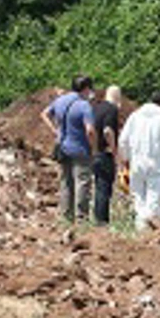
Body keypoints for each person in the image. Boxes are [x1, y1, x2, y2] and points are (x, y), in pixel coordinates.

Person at [117, 91, 160, 231]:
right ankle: (149, 231)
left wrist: (125, 158)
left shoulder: (135, 116)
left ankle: (140, 229)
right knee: (154, 198)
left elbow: (123, 140)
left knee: (138, 197)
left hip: (136, 163)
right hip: (156, 164)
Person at [42, 76, 96, 224]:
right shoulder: (84, 105)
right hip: (80, 149)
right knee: (82, 183)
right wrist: (94, 147)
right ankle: (81, 219)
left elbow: (44, 114)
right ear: (86, 89)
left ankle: (66, 217)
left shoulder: (60, 100)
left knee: (66, 182)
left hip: (63, 147)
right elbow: (90, 130)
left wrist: (55, 130)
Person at [91, 85, 122, 225]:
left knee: (99, 186)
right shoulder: (111, 109)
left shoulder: (96, 108)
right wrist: (114, 150)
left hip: (95, 153)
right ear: (116, 96)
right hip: (106, 153)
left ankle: (98, 218)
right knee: (105, 188)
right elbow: (108, 130)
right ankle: (102, 221)